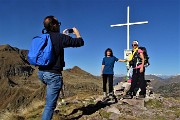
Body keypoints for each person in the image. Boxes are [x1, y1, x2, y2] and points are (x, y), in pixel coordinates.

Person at [38, 16, 84, 120]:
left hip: (41, 73)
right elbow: (80, 42)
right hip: (53, 74)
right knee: (49, 106)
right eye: (58, 23)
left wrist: (63, 36)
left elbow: (54, 46)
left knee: (49, 100)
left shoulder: (43, 37)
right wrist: (77, 33)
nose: (59, 25)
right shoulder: (60, 38)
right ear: (54, 25)